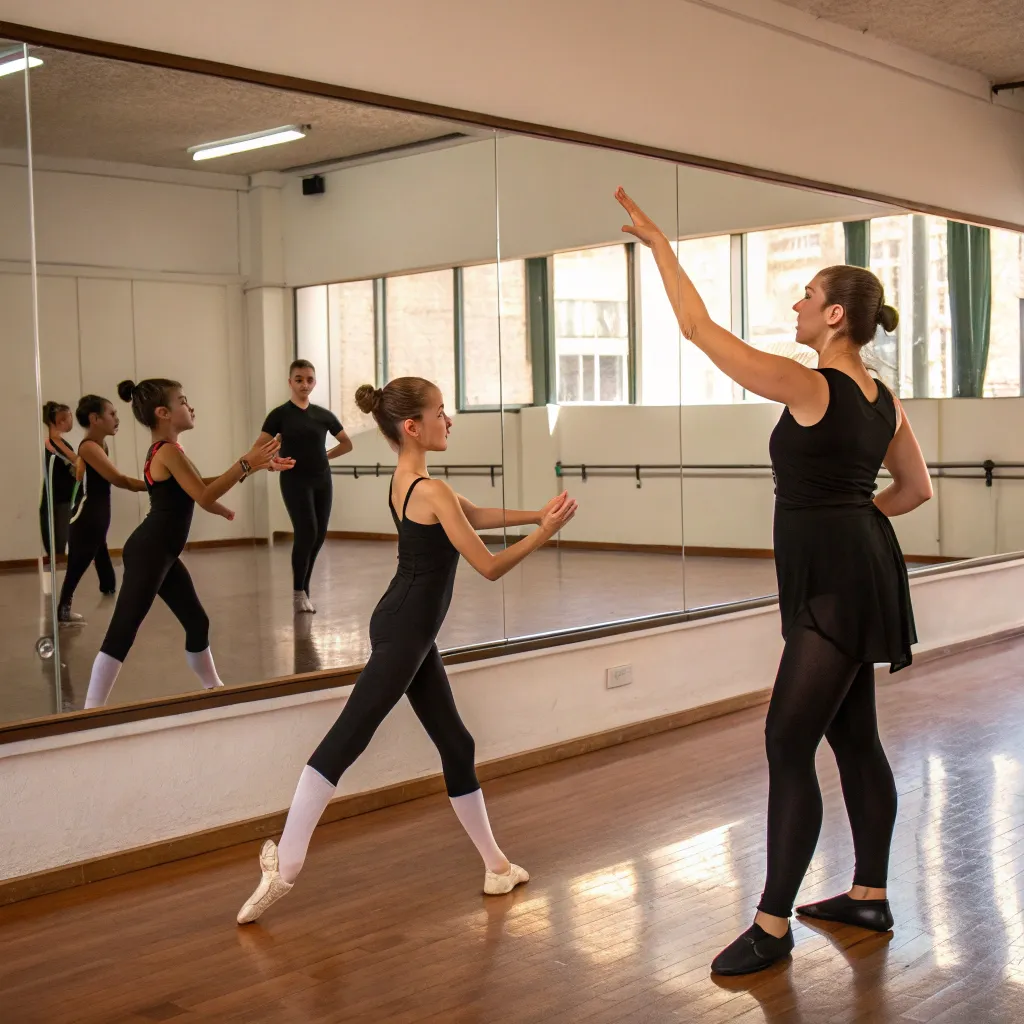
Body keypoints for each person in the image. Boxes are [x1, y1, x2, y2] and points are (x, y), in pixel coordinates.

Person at [615, 188, 933, 975]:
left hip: (832, 587)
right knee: (853, 735)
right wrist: (855, 525)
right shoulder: (883, 400)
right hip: (859, 572)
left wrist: (659, 244)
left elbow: (697, 330)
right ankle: (867, 894)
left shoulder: (812, 384)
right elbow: (916, 490)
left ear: (834, 318)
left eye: (808, 295)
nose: (797, 303)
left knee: (787, 740)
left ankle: (772, 925)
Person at [237, 376, 578, 925]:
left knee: (456, 742)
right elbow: (488, 567)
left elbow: (479, 516)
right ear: (413, 426)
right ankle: (287, 862)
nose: (450, 420)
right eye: (442, 411)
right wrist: (547, 534)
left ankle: (496, 866)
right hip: (403, 633)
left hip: (407, 630)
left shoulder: (411, 481)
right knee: (348, 737)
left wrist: (536, 515)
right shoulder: (431, 489)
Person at [82, 378, 293, 709]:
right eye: (183, 401)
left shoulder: (169, 451)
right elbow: (204, 494)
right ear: (164, 412)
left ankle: (215, 689)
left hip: (160, 551)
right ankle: (90, 713)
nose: (190, 406)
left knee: (197, 622)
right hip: (150, 550)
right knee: (122, 632)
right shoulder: (166, 451)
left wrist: (254, 466)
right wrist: (246, 462)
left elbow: (198, 487)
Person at [258, 359, 353, 615]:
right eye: (299, 379)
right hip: (294, 480)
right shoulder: (280, 415)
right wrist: (272, 462)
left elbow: (346, 443)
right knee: (307, 532)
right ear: (290, 382)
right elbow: (259, 449)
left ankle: (305, 590)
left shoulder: (323, 415)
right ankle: (298, 592)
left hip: (322, 480)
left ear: (315, 382)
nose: (304, 384)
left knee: (319, 534)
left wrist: (325, 457)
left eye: (309, 379)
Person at [56, 395, 146, 625]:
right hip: (89, 515)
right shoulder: (88, 447)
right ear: (95, 418)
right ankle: (63, 611)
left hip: (98, 510)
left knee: (98, 549)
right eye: (112, 414)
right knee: (79, 561)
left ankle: (108, 586)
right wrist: (154, 486)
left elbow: (87, 477)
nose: (117, 419)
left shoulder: (99, 445)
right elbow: (118, 479)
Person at [39, 401, 78, 561]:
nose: (71, 421)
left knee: (56, 550)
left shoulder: (53, 443)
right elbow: (78, 467)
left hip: (55, 500)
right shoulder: (57, 444)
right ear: (60, 421)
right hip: (59, 502)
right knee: (58, 552)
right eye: (69, 417)